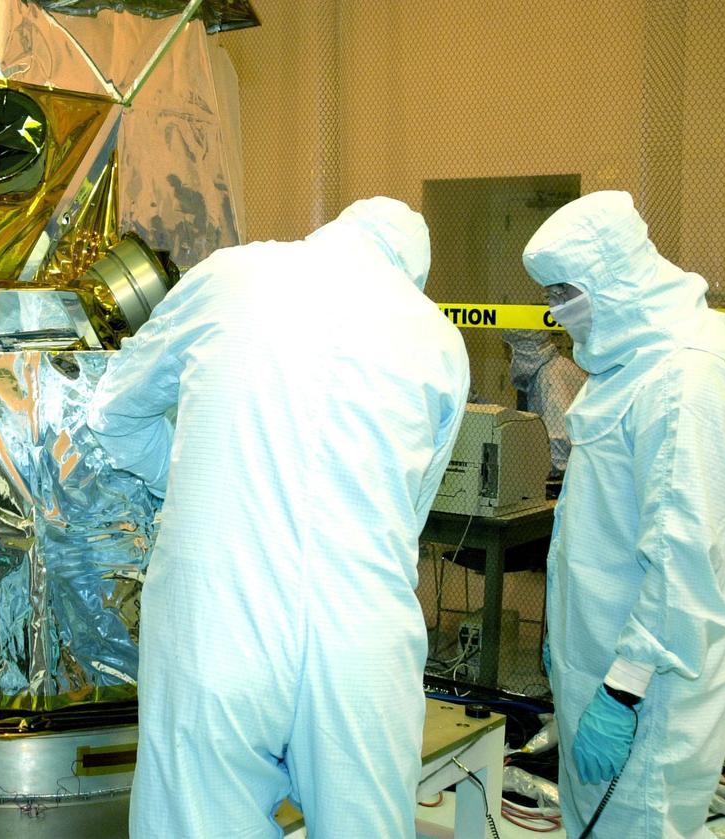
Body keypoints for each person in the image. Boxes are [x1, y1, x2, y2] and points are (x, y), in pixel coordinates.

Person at [87, 197, 470, 837]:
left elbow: (115, 414)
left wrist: (192, 482)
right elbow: (412, 511)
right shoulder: (437, 338)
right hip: (361, 637)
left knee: (200, 819)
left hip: (220, 619)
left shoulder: (228, 275)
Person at [522, 190, 725, 838]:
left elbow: (680, 564)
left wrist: (621, 691)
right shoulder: (631, 356)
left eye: (565, 290)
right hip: (600, 666)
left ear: (611, 275)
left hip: (645, 700)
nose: (553, 310)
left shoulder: (685, 379)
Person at [501, 329, 587, 478]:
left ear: (523, 351)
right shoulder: (558, 367)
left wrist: (543, 475)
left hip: (568, 475)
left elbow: (558, 439)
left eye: (508, 350)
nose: (507, 357)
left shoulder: (549, 378)